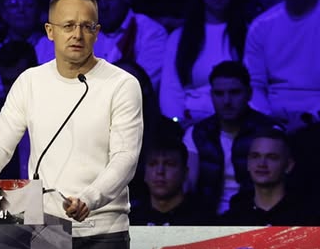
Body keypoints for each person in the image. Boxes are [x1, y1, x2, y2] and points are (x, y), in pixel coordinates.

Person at [0, 0, 143, 249]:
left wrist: (89, 199)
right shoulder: (30, 82)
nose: (78, 34)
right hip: (44, 231)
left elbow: (125, 158)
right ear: (50, 31)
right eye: (68, 26)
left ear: (97, 32)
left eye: (86, 26)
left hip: (104, 232)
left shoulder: (122, 84)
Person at [159, 0, 247, 125]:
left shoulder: (248, 33)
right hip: (190, 122)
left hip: (238, 123)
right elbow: (171, 88)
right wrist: (177, 123)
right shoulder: (179, 37)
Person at [184, 60, 277, 215]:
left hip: (255, 215)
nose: (226, 101)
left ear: (249, 93)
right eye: (219, 94)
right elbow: (188, 184)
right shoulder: (196, 133)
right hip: (207, 216)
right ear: (211, 95)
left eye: (234, 93)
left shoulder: (270, 131)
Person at [243, 0, 320, 129]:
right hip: (273, 118)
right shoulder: (261, 26)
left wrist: (310, 119)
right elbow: (254, 84)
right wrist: (269, 121)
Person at [221, 127, 314, 224]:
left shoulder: (308, 217)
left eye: (272, 157)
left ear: (289, 165)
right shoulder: (233, 217)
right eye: (255, 156)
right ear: (248, 163)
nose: (262, 164)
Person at [130, 136, 215, 225]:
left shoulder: (204, 221)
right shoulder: (130, 219)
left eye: (169, 164)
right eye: (153, 164)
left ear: (185, 173)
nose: (160, 171)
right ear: (145, 173)